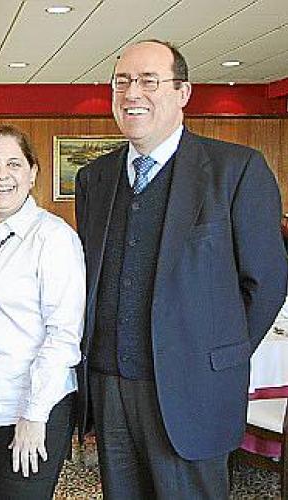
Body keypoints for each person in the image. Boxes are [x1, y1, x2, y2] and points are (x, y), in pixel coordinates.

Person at [75, 40, 288, 499]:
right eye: (122, 82)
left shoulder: (236, 171)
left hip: (193, 391)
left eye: (148, 81)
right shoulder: (94, 178)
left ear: (183, 92)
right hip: (110, 390)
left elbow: (267, 283)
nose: (132, 93)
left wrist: (214, 356)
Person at [0, 125, 86, 499]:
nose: (1, 175)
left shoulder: (53, 237)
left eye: (13, 164)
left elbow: (63, 335)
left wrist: (34, 414)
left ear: (32, 173)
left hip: (30, 408)